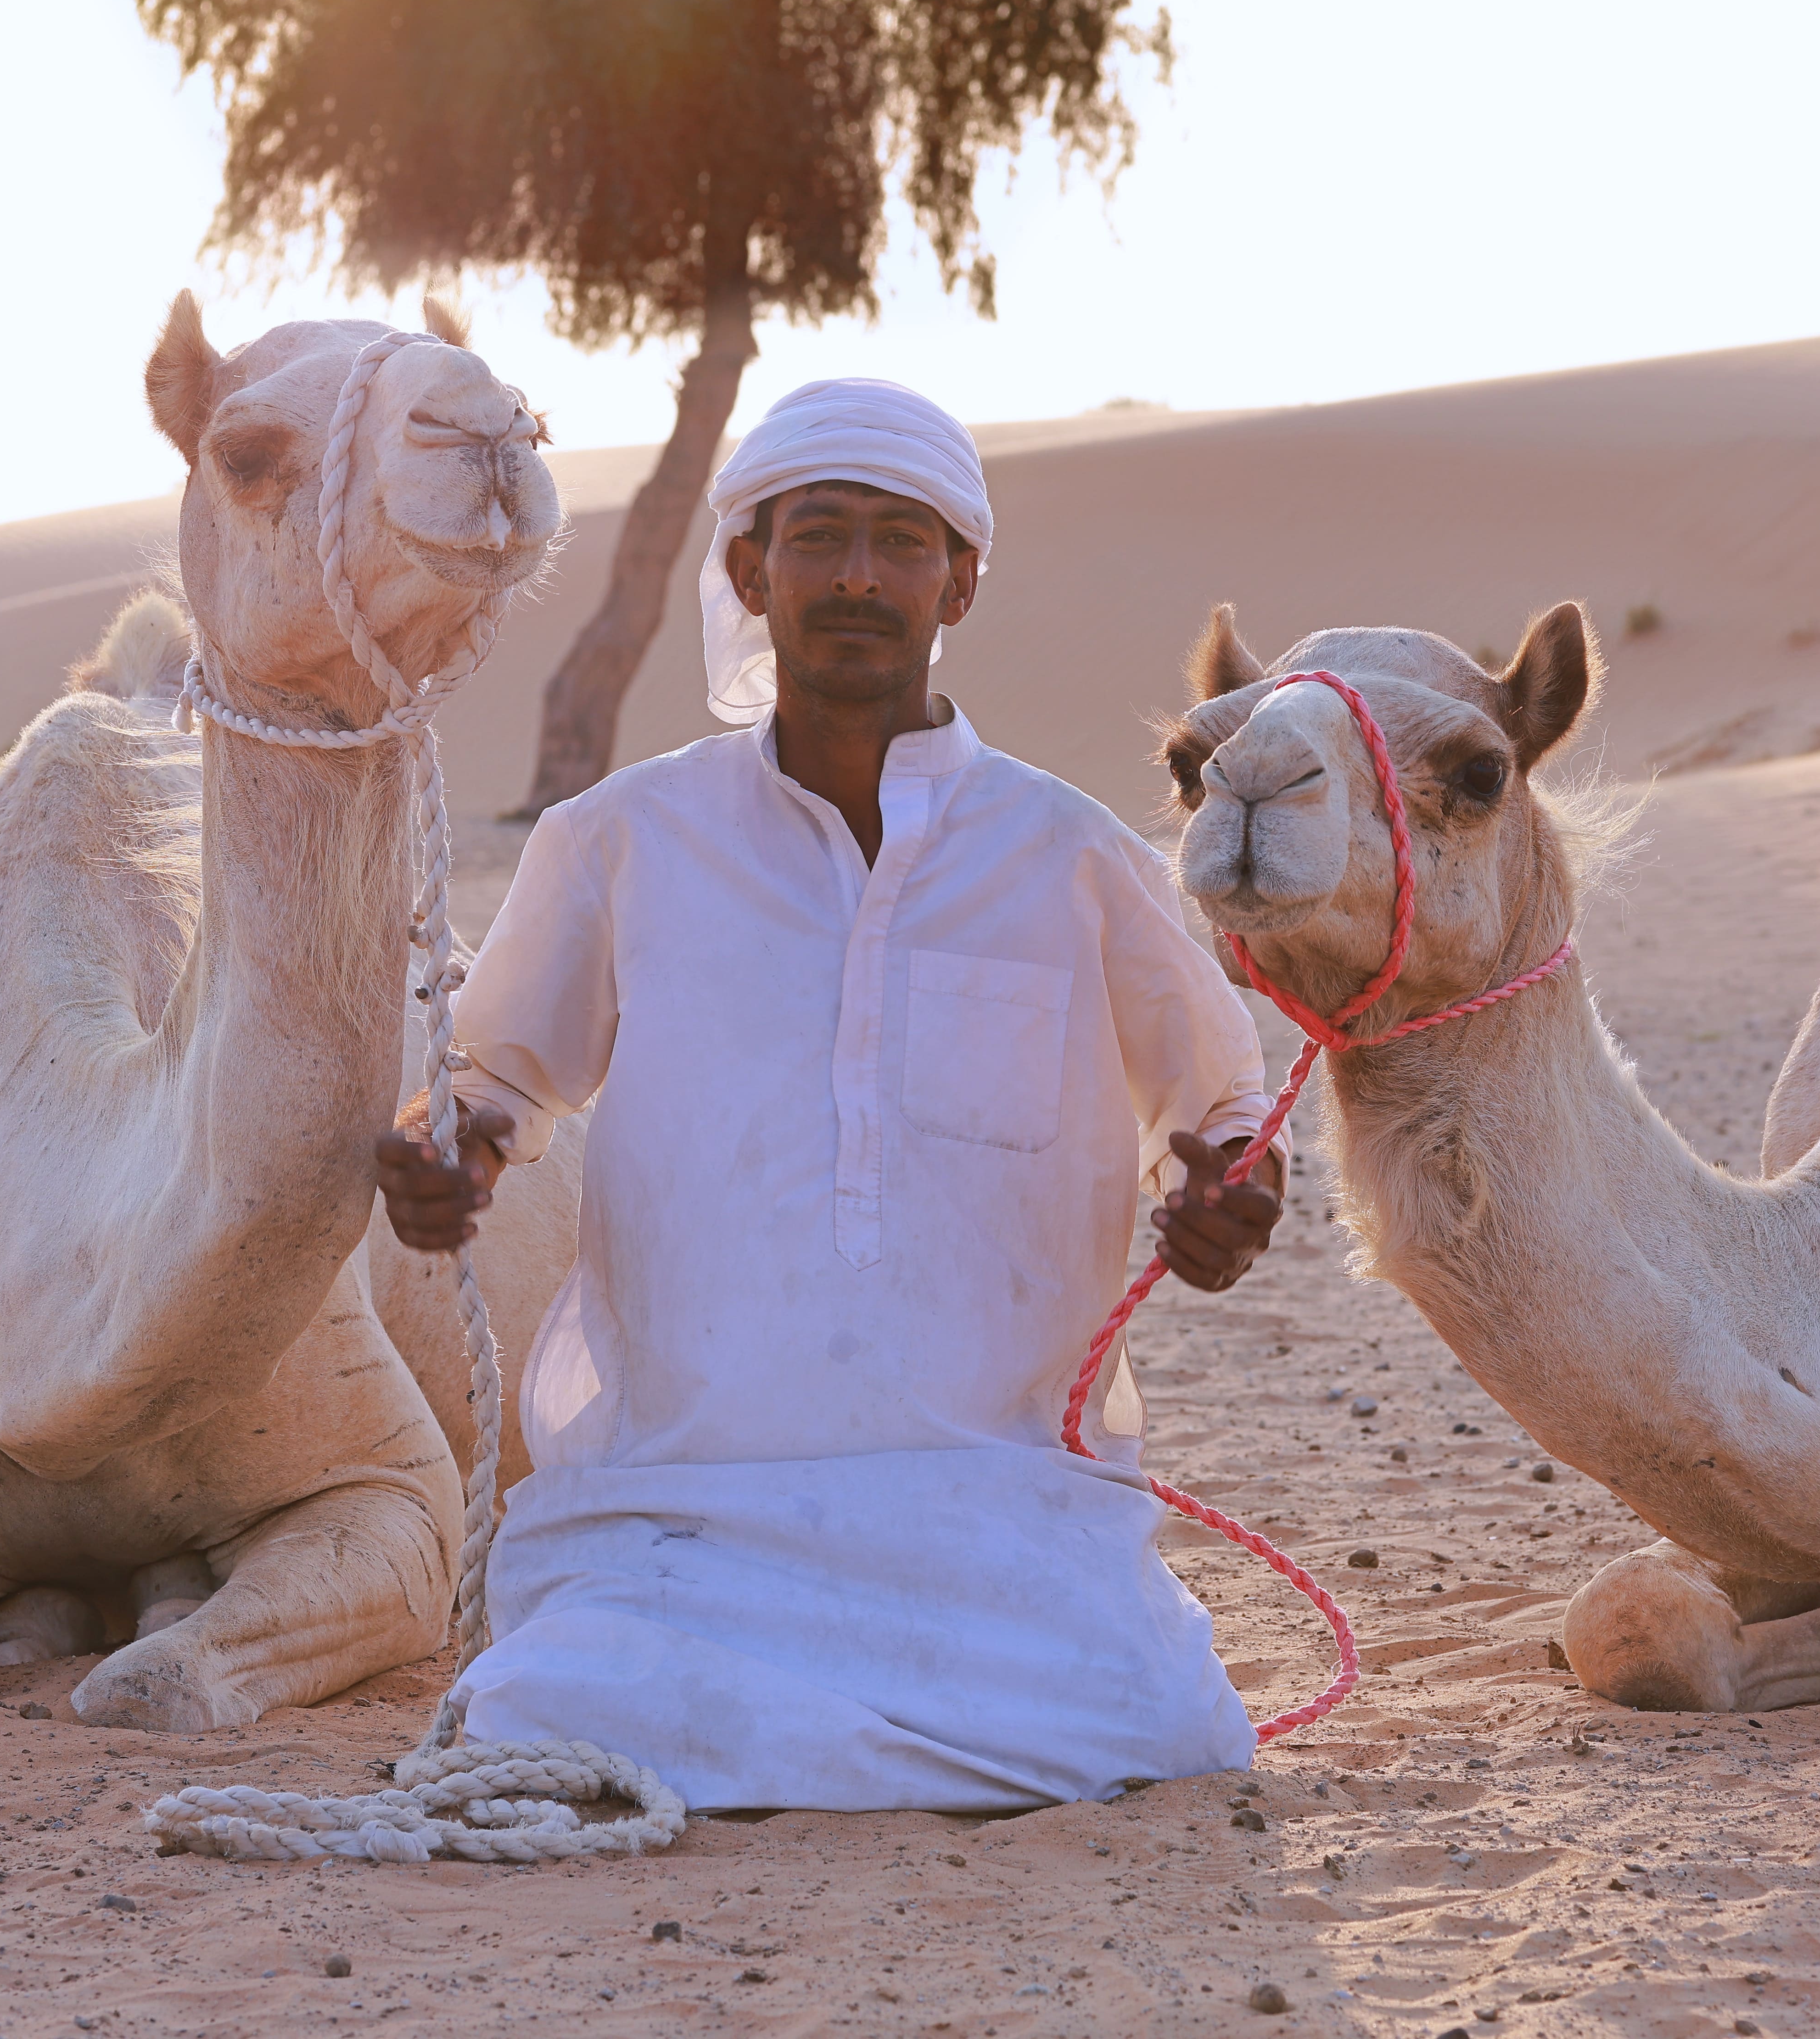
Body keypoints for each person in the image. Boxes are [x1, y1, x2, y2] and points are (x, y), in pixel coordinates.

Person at [373, 378, 1286, 1812]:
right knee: (550, 1702)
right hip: (681, 1510)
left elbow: (1223, 1108)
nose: (860, 575)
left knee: (1168, 1718)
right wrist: (451, 1164)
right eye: (818, 537)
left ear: (961, 579)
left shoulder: (1073, 856)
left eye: (902, 540)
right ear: (749, 569)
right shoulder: (620, 842)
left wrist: (1226, 1198)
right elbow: (491, 1082)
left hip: (994, 1502)